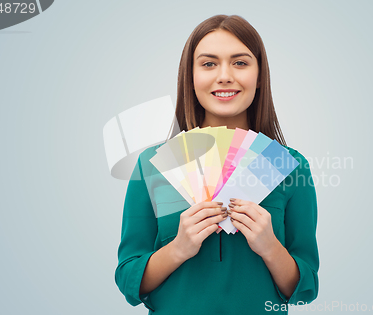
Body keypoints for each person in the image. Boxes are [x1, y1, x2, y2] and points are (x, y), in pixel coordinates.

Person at [115, 14, 319, 314]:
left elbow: (305, 290)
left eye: (240, 62)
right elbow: (128, 279)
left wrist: (270, 247)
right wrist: (178, 248)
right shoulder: (153, 165)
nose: (224, 75)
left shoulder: (288, 165)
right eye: (209, 63)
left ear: (259, 75)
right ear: (191, 76)